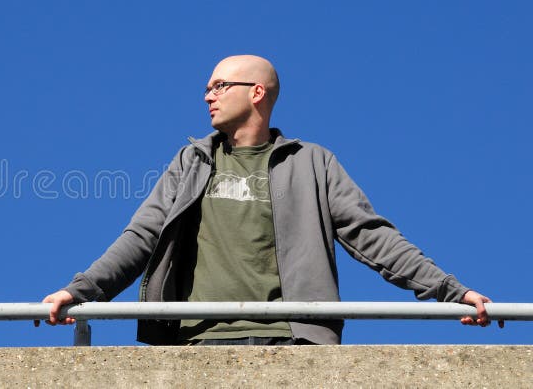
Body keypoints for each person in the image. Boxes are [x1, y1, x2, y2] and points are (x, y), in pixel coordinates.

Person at [34, 55, 502, 345]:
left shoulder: (312, 163)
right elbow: (142, 237)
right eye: (207, 87)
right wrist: (80, 291)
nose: (207, 96)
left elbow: (372, 238)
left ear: (257, 93)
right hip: (199, 341)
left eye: (219, 86)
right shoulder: (191, 161)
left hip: (293, 342)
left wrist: (451, 291)